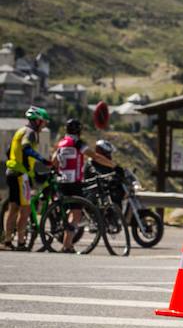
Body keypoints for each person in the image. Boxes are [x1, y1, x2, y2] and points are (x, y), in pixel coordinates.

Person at [52, 119, 116, 253]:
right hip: (74, 182)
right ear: (78, 131)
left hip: (62, 181)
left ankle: (67, 243)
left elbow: (54, 162)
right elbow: (95, 157)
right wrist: (112, 165)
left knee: (71, 212)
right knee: (76, 213)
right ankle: (67, 244)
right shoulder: (77, 143)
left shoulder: (62, 143)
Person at [2, 106, 52, 250]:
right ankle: (21, 242)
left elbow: (8, 151)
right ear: (37, 121)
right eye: (44, 122)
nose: (44, 125)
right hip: (21, 175)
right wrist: (43, 160)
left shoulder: (20, 131)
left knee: (13, 208)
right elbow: (26, 148)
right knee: (25, 210)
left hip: (12, 172)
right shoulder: (31, 133)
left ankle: (7, 241)